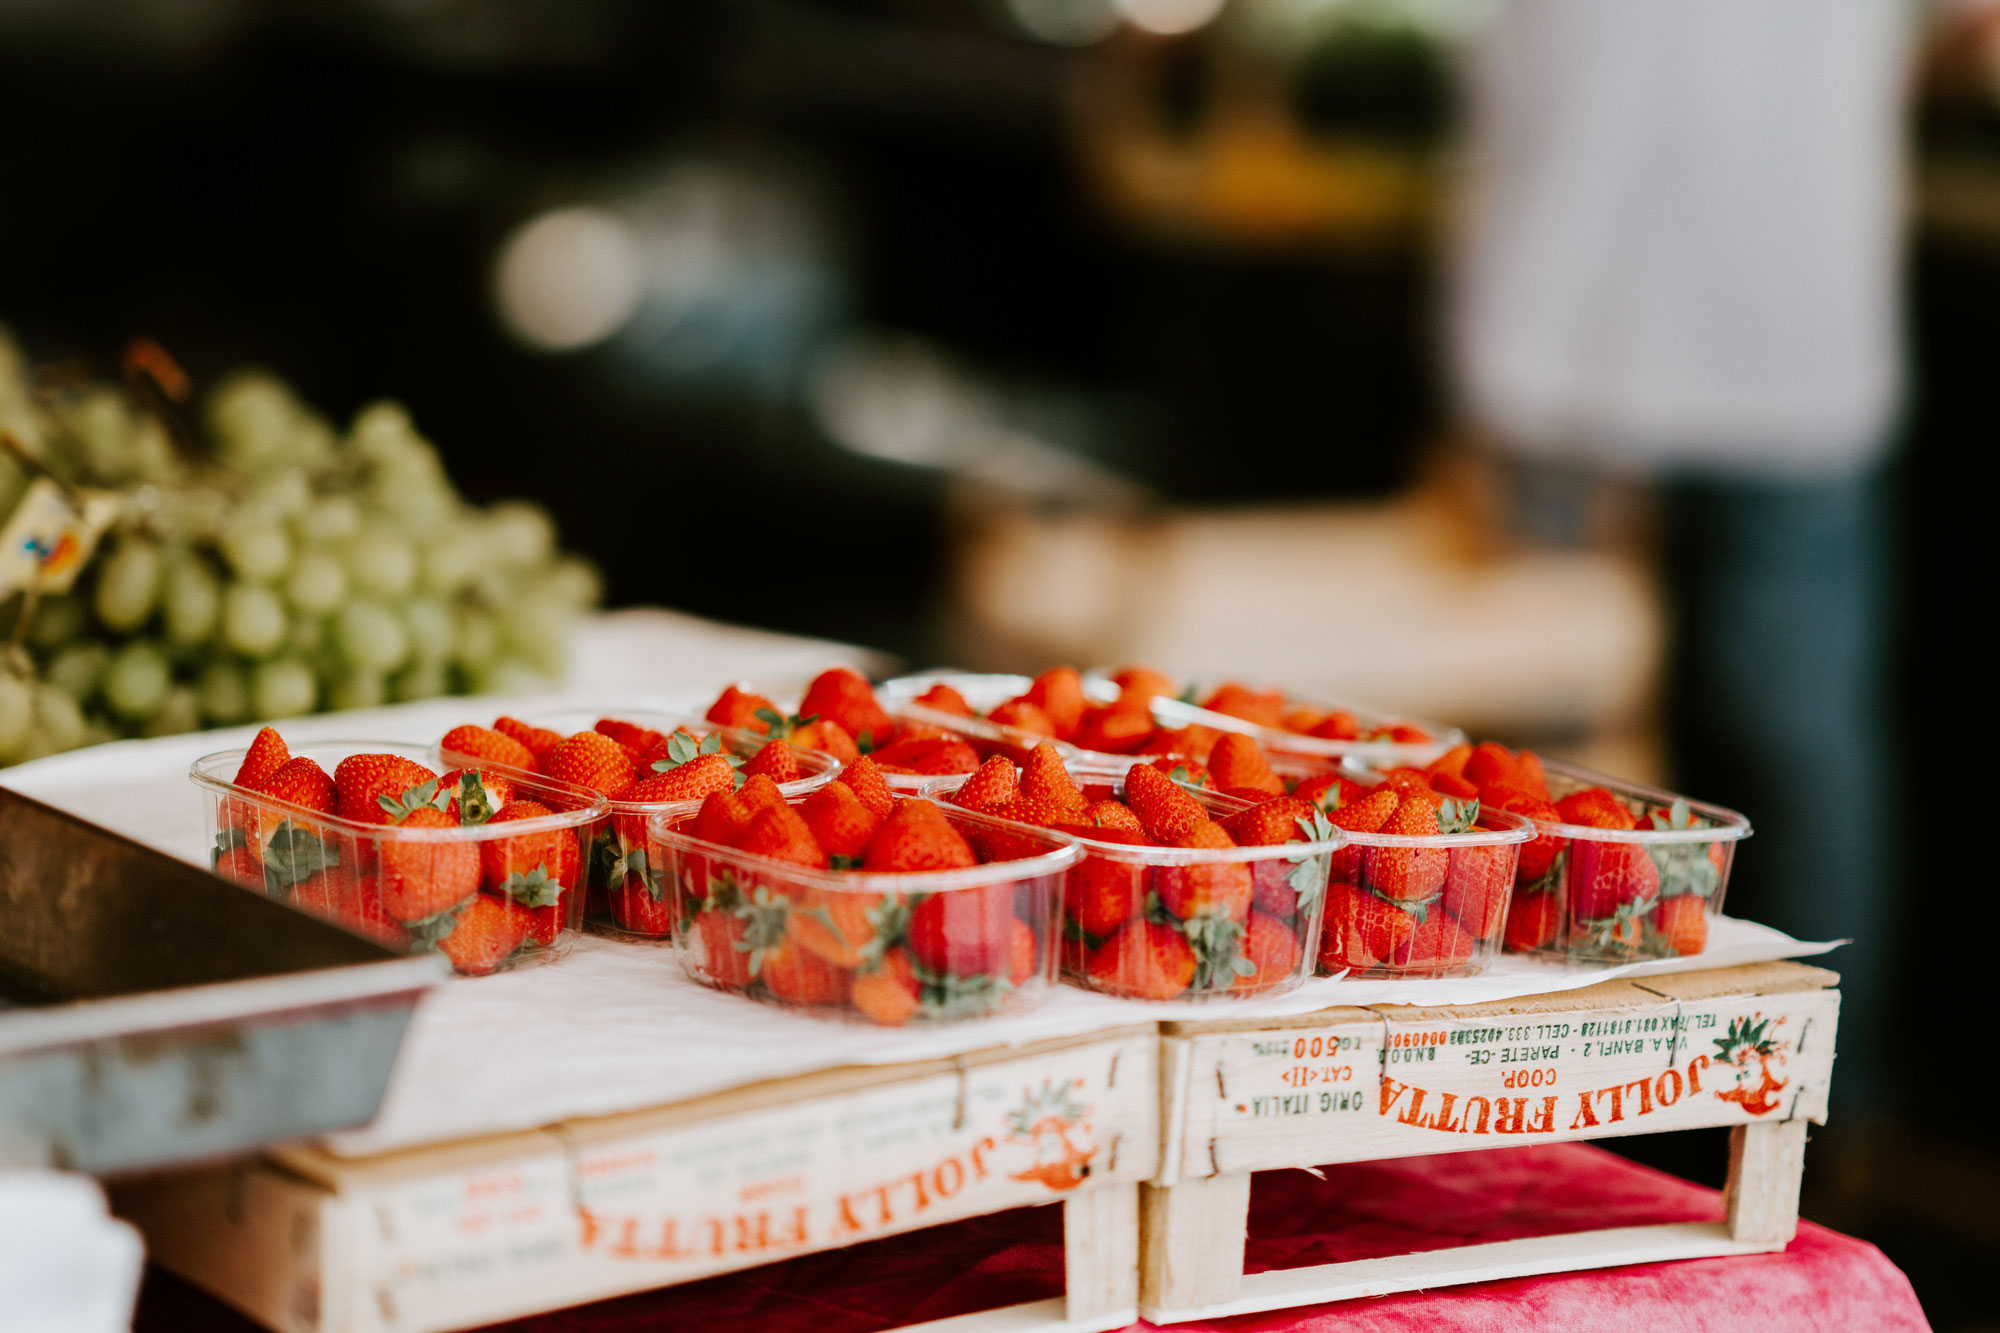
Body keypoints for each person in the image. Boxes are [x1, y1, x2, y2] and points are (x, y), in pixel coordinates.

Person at [1448, 0, 1914, 1118]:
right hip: (1628, 316)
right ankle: (1779, 1127)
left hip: (1659, 318)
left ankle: (1799, 1117)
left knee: (1540, 782)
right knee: (1545, 780)